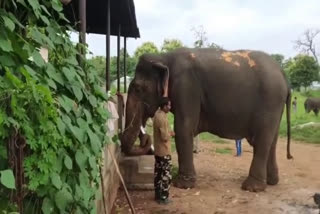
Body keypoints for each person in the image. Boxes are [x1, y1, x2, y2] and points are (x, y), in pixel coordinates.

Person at [153, 97, 174, 204]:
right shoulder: (162, 118)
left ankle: (157, 195)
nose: (170, 107)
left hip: (157, 151)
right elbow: (164, 137)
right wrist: (171, 133)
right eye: (169, 105)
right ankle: (164, 197)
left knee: (158, 174)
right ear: (164, 106)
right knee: (166, 175)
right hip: (164, 151)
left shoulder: (157, 114)